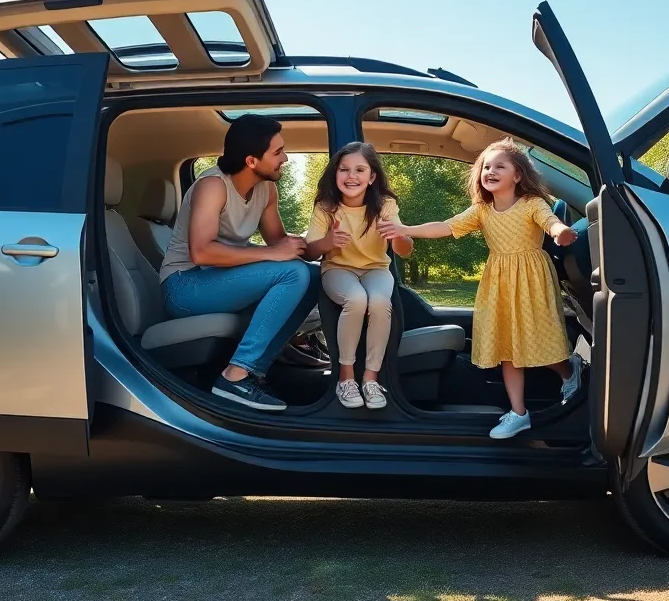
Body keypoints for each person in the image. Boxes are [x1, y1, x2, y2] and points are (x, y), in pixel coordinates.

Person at [379, 138, 583, 439]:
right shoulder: (482, 210)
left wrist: (560, 231)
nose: (491, 171)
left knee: (539, 341)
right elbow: (446, 226)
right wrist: (405, 230)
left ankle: (569, 371)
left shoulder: (531, 203)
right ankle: (519, 413)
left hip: (531, 280)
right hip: (499, 281)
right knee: (507, 348)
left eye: (500, 166)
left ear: (518, 175)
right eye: (486, 167)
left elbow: (550, 222)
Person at [158, 114, 320, 412]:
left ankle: (253, 373)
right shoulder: (213, 186)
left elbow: (280, 244)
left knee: (313, 276)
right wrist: (271, 254)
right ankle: (235, 376)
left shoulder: (266, 189)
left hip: (222, 280)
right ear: (251, 161)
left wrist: (328, 242)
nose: (285, 159)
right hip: (185, 286)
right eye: (278, 152)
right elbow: (202, 253)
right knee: (293, 273)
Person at [304, 142, 413, 409]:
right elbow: (309, 251)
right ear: (335, 173)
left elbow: (405, 250)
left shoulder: (385, 205)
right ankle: (346, 377)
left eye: (360, 170)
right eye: (344, 169)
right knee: (356, 299)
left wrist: (397, 235)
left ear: (372, 176)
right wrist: (328, 242)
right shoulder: (326, 207)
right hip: (338, 269)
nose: (351, 176)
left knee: (379, 302)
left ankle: (370, 379)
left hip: (376, 269)